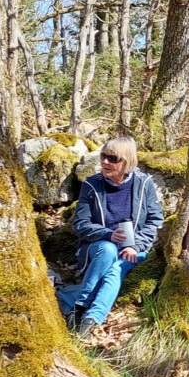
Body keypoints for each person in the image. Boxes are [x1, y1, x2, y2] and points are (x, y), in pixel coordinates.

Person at [58, 136, 164, 339]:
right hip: (99, 246)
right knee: (108, 250)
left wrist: (135, 245)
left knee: (116, 269)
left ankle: (88, 319)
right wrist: (108, 234)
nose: (105, 162)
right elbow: (80, 224)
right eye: (103, 156)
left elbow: (155, 220)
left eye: (113, 158)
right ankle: (81, 308)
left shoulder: (144, 183)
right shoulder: (91, 184)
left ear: (127, 161)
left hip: (135, 248)